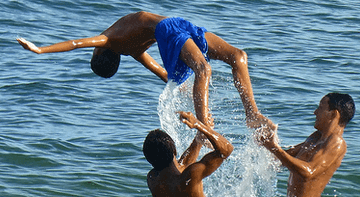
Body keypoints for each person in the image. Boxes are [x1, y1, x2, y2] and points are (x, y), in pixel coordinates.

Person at [17, 11, 275, 130]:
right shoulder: (108, 39)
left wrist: (180, 86)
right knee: (203, 70)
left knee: (238, 57)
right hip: (170, 28)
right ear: (99, 53)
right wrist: (40, 50)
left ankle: (252, 114)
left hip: (178, 25)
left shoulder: (129, 48)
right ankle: (204, 125)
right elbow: (76, 43)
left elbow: (159, 70)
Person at [260, 93, 355, 197]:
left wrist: (274, 148)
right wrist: (266, 140)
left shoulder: (337, 143)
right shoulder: (315, 137)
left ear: (334, 114)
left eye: (320, 107)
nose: (315, 112)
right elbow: (286, 157)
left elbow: (309, 172)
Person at [143, 111, 233, 197]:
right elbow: (226, 150)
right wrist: (200, 126)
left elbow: (180, 166)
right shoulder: (191, 177)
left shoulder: (153, 179)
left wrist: (199, 138)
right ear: (174, 151)